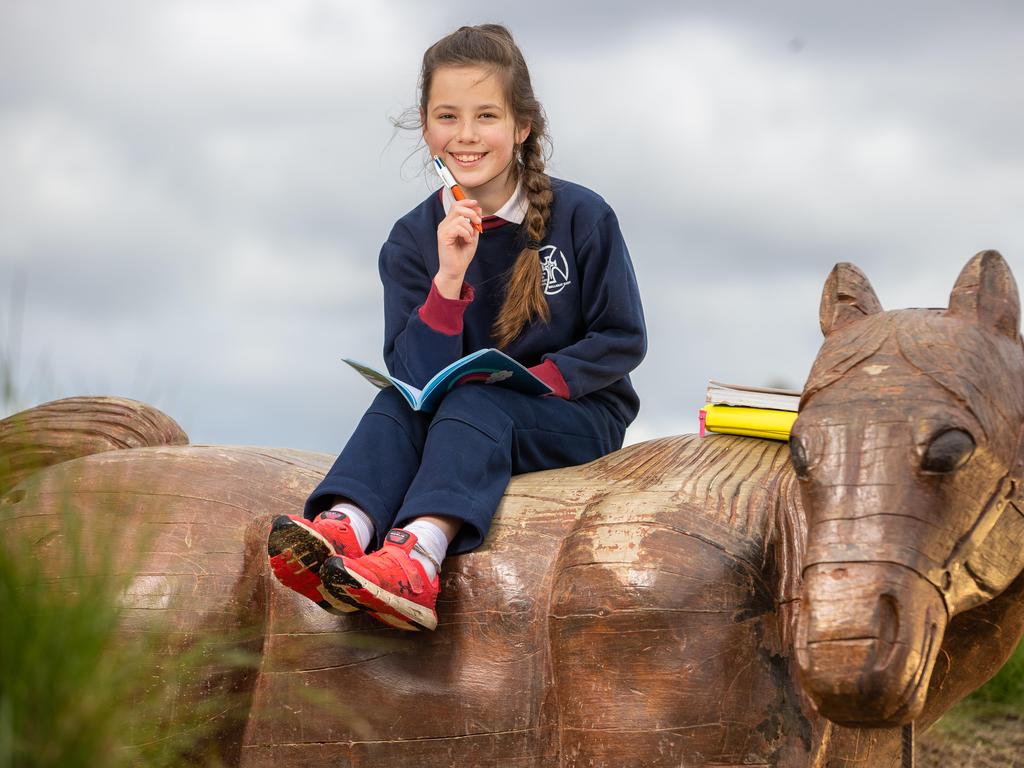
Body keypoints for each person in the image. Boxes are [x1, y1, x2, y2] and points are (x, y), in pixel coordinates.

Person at [267, 23, 647, 631]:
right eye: (448, 116)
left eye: (486, 116)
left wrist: (537, 381)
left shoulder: (583, 216)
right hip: (458, 417)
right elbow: (414, 372)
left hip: (573, 418)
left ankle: (418, 557)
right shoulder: (412, 239)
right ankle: (344, 530)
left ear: (521, 126)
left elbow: (622, 337)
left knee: (475, 400)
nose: (466, 135)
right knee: (398, 401)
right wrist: (448, 278)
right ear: (425, 127)